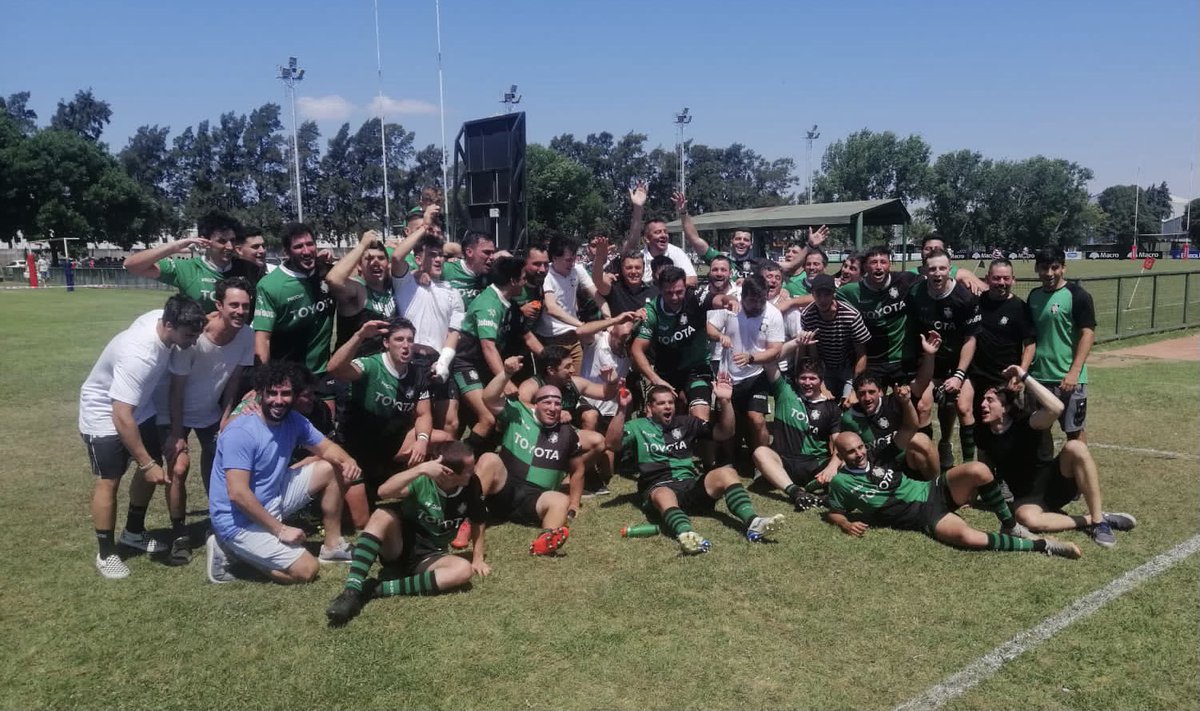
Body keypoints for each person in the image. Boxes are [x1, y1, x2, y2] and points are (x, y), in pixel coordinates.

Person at [819, 376, 1083, 559]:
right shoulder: (842, 483)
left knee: (979, 469)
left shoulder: (878, 455)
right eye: (851, 452)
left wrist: (904, 402)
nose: (859, 454)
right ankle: (1043, 546)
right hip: (923, 517)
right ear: (840, 455)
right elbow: (834, 511)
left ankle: (1010, 524)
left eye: (860, 448)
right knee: (972, 539)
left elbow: (910, 428)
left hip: (933, 489)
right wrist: (844, 524)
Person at [79, 295, 206, 578]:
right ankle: (106, 553)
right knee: (109, 480)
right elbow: (120, 414)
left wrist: (172, 435)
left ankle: (133, 533)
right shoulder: (139, 355)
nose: (194, 341)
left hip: (140, 407)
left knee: (151, 465)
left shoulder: (164, 323)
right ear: (169, 324)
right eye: (189, 335)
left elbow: (174, 389)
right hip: (104, 413)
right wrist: (146, 464)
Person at [205, 361, 362, 584]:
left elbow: (326, 448)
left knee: (331, 466)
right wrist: (280, 530)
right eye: (272, 393)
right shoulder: (240, 432)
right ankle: (229, 551)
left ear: (295, 395)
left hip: (273, 496)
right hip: (238, 519)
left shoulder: (294, 420)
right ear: (260, 393)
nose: (278, 400)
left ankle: (332, 546)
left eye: (286, 393)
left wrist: (348, 461)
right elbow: (238, 494)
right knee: (306, 570)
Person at [606, 373, 784, 555]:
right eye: (661, 403)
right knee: (664, 493)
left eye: (670, 402)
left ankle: (753, 522)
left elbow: (725, 433)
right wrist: (621, 409)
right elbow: (611, 444)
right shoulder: (638, 426)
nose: (667, 406)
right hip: (658, 485)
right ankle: (686, 534)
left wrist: (725, 402)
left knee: (727, 472)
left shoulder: (687, 423)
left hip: (689, 485)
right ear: (650, 407)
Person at [323, 441, 489, 626]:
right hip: (399, 544)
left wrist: (478, 557)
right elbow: (383, 492)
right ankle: (351, 591)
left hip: (430, 556)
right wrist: (420, 469)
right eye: (469, 469)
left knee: (462, 571)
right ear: (449, 473)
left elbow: (478, 519)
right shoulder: (423, 479)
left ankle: (375, 589)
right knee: (381, 514)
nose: (473, 472)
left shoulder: (472, 484)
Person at [975, 365, 1135, 548]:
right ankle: (1094, 518)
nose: (983, 405)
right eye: (983, 400)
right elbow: (983, 467)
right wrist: (971, 497)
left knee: (1076, 447)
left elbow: (1057, 407)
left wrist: (1024, 376)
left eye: (990, 400)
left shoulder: (1027, 422)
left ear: (1006, 407)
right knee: (1026, 519)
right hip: (1027, 498)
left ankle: (1099, 523)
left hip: (1055, 484)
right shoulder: (984, 434)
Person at [155, 278, 256, 565]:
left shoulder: (246, 335)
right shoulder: (196, 338)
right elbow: (176, 390)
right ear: (219, 305)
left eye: (245, 306)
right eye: (233, 305)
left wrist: (226, 417)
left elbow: (234, 379)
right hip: (174, 411)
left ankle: (220, 526)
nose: (239, 311)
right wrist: (177, 433)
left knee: (222, 466)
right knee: (179, 466)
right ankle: (179, 535)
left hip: (210, 412)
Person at [328, 317, 453, 528]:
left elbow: (423, 415)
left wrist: (422, 441)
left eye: (410, 340)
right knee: (360, 522)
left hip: (390, 444)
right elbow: (335, 369)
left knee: (443, 438)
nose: (406, 345)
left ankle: (433, 500)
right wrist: (360, 335)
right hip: (356, 449)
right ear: (386, 343)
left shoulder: (416, 374)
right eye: (399, 340)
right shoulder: (371, 365)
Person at [476, 358, 585, 555]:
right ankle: (470, 519)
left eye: (557, 403)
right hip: (504, 487)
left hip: (534, 499)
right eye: (547, 402)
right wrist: (506, 374)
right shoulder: (518, 412)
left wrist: (575, 503)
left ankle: (545, 541)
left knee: (561, 500)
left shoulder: (567, 433)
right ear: (536, 404)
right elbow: (488, 398)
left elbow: (578, 469)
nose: (553, 407)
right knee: (488, 459)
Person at [905, 247, 981, 471]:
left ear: (950, 269)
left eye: (942, 268)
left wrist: (958, 375)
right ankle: (927, 467)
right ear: (925, 271)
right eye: (932, 269)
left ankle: (967, 470)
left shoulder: (965, 298)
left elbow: (971, 339)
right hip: (929, 363)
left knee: (964, 407)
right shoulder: (915, 292)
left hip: (959, 364)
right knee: (923, 406)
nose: (937, 273)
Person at [390, 225, 465, 436]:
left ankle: (444, 465)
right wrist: (424, 227)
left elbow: (454, 332)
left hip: (438, 361)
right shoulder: (405, 283)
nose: (439, 259)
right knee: (413, 424)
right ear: (418, 258)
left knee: (450, 422)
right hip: (409, 361)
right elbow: (396, 258)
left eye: (441, 255)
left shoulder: (452, 293)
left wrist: (443, 363)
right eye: (432, 255)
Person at [451, 256, 527, 451]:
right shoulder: (489, 305)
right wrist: (506, 380)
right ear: (513, 281)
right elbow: (488, 347)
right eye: (523, 277)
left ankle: (483, 463)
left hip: (480, 366)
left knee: (499, 416)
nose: (526, 282)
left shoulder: (503, 301)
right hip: (465, 365)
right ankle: (459, 466)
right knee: (487, 418)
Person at [631, 266, 725, 423]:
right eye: (669, 292)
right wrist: (655, 379)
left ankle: (697, 446)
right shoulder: (652, 311)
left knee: (700, 419)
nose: (674, 297)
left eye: (679, 291)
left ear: (685, 286)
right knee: (654, 417)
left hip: (697, 369)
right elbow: (637, 349)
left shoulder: (695, 297)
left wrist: (730, 301)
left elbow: (718, 299)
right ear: (659, 289)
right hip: (666, 373)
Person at [252, 223, 336, 397]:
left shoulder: (327, 274)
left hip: (322, 372)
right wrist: (262, 383)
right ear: (287, 252)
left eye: (310, 244)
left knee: (326, 420)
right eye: (298, 246)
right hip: (288, 376)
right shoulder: (271, 286)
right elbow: (263, 340)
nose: (306, 251)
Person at [751, 352, 843, 510]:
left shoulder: (831, 407)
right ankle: (796, 492)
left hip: (816, 463)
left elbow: (839, 444)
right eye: (803, 378)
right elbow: (768, 361)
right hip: (785, 461)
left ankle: (820, 487)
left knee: (845, 458)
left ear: (821, 380)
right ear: (796, 379)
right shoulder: (785, 391)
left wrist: (832, 467)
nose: (807, 383)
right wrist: (795, 342)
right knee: (760, 452)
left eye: (812, 378)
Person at [708, 274, 784, 458]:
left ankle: (763, 462)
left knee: (756, 419)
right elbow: (710, 327)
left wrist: (752, 358)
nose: (757, 305)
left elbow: (776, 350)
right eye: (752, 300)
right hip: (728, 374)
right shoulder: (732, 307)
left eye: (761, 300)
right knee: (727, 419)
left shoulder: (773, 314)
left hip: (756, 373)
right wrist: (720, 336)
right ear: (743, 297)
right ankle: (729, 460)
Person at [1028, 246, 1096, 442]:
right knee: (1037, 433)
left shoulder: (1078, 296)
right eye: (1044, 268)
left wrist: (1074, 372)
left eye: (1055, 267)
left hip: (1068, 380)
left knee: (1074, 433)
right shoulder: (1033, 296)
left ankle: (1077, 472)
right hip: (1039, 379)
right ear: (1037, 269)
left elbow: (1088, 333)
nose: (1049, 273)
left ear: (1064, 268)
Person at [836, 245, 923, 388]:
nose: (878, 267)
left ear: (890, 264)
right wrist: (789, 301)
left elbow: (934, 280)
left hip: (901, 359)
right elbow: (823, 298)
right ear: (865, 266)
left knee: (906, 404)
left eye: (883, 262)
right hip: (872, 361)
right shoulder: (851, 291)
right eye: (873, 262)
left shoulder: (905, 280)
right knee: (873, 406)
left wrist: (964, 275)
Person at [123, 211, 242, 312]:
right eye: (222, 241)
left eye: (233, 240)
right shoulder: (187, 269)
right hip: (196, 338)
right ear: (204, 240)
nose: (230, 247)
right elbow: (131, 265)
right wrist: (176, 246)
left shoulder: (246, 269)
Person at [969, 259, 1036, 411]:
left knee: (1006, 424)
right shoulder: (975, 302)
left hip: (1005, 379)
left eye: (1006, 278)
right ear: (987, 279)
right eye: (996, 278)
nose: (1001, 282)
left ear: (1013, 279)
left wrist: (1019, 375)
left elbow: (1030, 345)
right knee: (978, 422)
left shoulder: (1020, 308)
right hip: (977, 376)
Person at [797, 273, 870, 403]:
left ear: (834, 294)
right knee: (822, 402)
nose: (822, 299)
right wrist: (822, 387)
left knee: (849, 404)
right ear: (812, 294)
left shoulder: (851, 316)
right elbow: (813, 353)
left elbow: (862, 354)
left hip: (849, 367)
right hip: (824, 366)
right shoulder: (808, 315)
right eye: (818, 294)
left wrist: (854, 389)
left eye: (827, 294)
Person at [326, 231, 396, 357]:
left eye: (381, 258)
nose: (375, 262)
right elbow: (333, 279)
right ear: (359, 266)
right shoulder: (357, 288)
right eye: (369, 258)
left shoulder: (392, 286)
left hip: (383, 368)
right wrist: (362, 245)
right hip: (354, 367)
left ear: (387, 264)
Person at [620, 182, 698, 286]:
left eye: (665, 232)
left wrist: (665, 287)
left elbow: (693, 280)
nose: (663, 235)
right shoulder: (640, 257)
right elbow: (631, 243)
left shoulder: (676, 253)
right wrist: (638, 208)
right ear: (647, 239)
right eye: (657, 232)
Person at [442, 231, 496, 307]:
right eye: (487, 252)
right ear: (469, 252)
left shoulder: (495, 274)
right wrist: (421, 274)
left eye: (493, 253)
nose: (492, 257)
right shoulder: (446, 269)